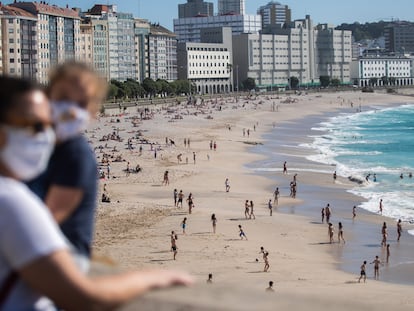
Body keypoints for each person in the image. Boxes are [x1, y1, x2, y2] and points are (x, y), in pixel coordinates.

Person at [0, 76, 192, 311]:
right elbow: (82, 296)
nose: (47, 136)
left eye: (49, 124)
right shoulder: (11, 202)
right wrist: (150, 279)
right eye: (36, 126)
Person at [27, 63, 106, 270]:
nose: (70, 109)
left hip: (66, 255)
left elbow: (50, 218)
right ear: (47, 96)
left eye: (81, 103)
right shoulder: (37, 144)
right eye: (62, 98)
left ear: (93, 111)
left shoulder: (76, 155)